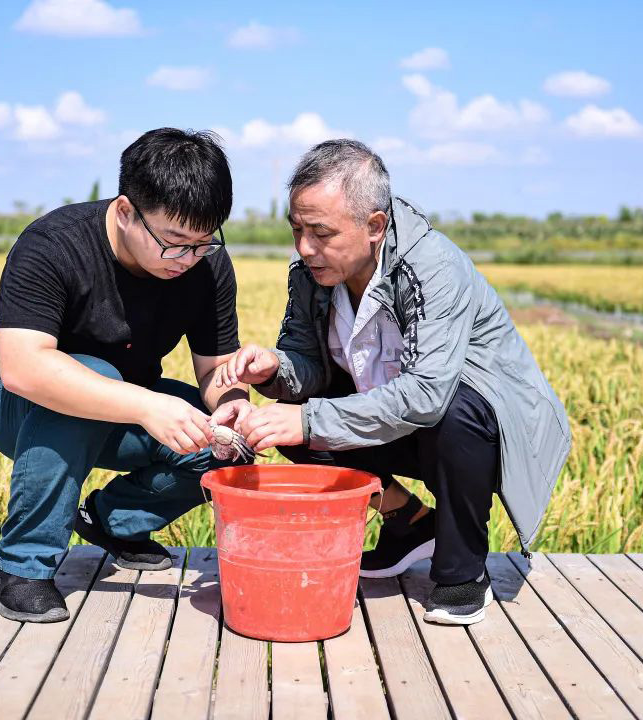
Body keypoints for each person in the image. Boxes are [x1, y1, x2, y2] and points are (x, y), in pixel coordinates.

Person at [214, 139, 571, 625]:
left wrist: (309, 417)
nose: (304, 247)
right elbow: (309, 365)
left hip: (475, 433)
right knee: (286, 423)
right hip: (390, 414)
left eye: (320, 232)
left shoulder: (433, 269)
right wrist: (275, 370)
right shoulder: (310, 276)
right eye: (297, 229)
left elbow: (428, 394)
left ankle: (463, 574)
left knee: (456, 414)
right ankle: (407, 522)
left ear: (375, 226)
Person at [0, 128, 251, 622]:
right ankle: (20, 566)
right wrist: (145, 405)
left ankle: (114, 521)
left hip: (129, 406)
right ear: (125, 212)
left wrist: (233, 408)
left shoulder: (206, 267)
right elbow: (23, 368)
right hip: (16, 406)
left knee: (222, 444)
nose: (187, 259)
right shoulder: (53, 244)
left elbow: (215, 369)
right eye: (174, 243)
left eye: (203, 243)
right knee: (87, 375)